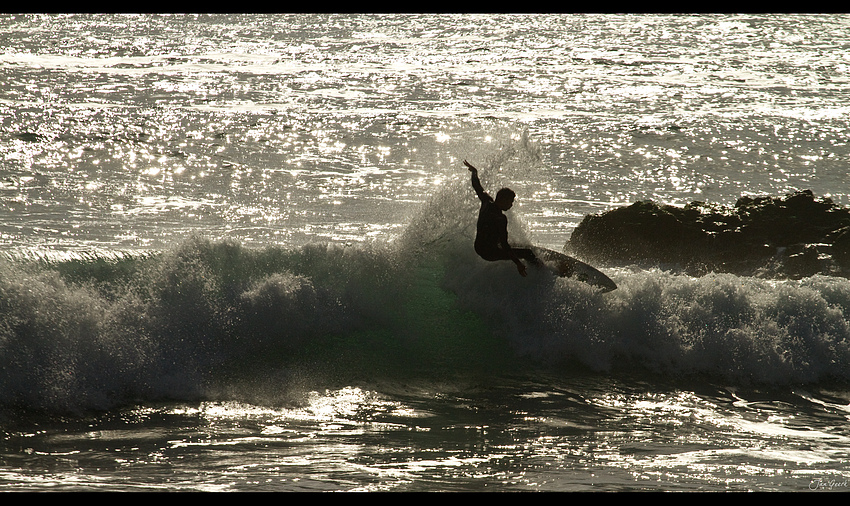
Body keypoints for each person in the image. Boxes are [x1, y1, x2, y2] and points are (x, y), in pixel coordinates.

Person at [465, 159, 540, 277]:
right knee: (528, 253)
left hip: (478, 247)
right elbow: (505, 245)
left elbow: (477, 186)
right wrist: (518, 263)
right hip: (489, 253)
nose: (511, 205)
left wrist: (474, 172)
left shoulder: (486, 201)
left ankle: (512, 249)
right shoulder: (500, 218)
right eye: (510, 202)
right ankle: (542, 271)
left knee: (506, 242)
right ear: (503, 200)